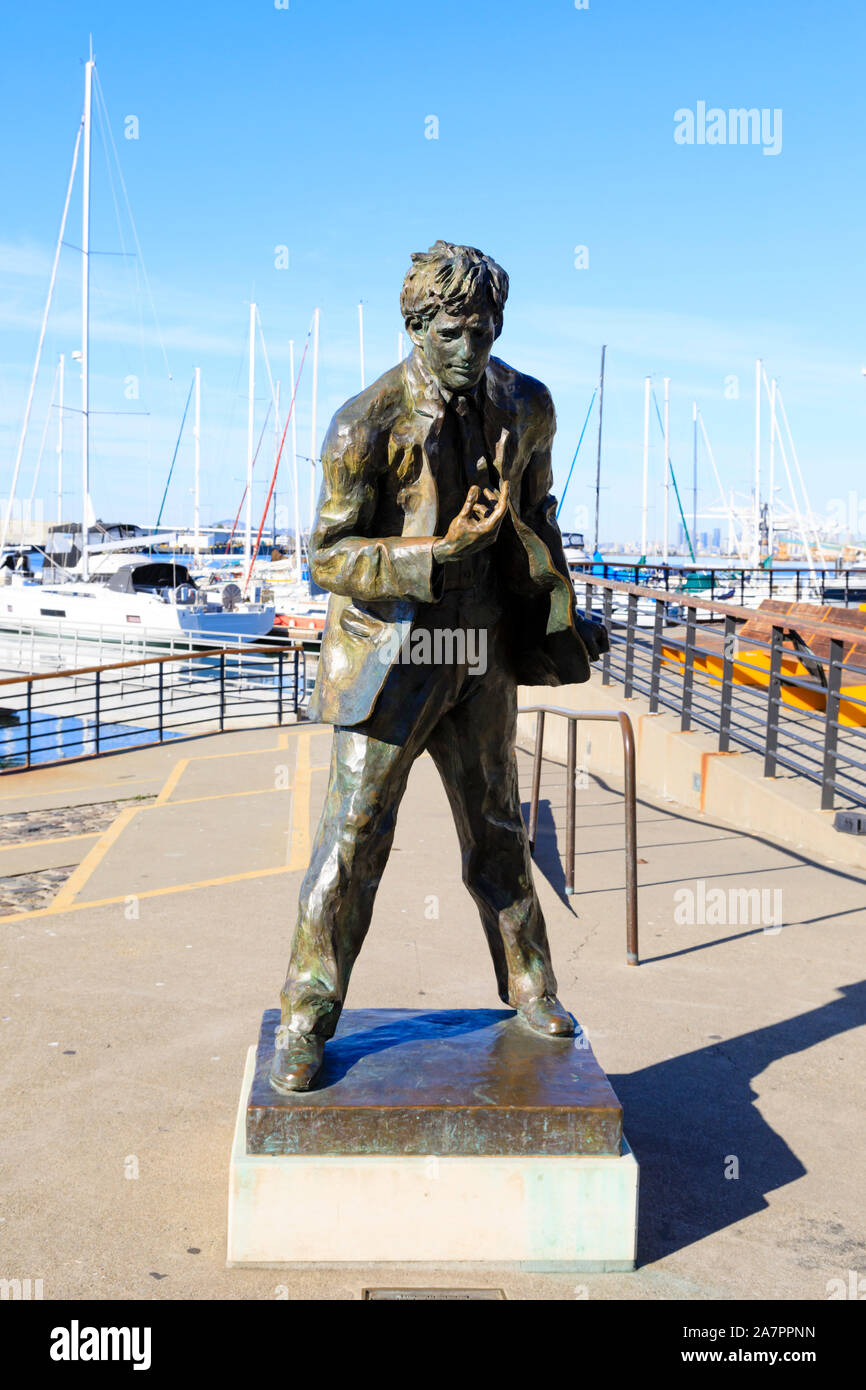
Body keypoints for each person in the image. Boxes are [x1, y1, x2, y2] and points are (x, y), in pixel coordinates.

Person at [270, 241, 607, 1092]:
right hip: (394, 652)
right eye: (454, 331)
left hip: (481, 647)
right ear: (417, 326)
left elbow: (540, 515)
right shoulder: (365, 422)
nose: (473, 349)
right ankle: (308, 1013)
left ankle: (531, 984)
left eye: (486, 329)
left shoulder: (527, 406)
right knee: (353, 838)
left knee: (496, 826)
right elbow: (330, 557)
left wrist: (561, 608)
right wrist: (433, 553)